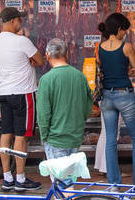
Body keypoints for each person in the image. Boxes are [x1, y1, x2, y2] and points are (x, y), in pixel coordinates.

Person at [0, 7, 44, 192]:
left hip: (4, 92)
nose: (21, 23)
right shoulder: (22, 41)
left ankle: (7, 178)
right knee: (21, 136)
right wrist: (30, 61)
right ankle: (20, 179)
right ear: (13, 21)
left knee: (6, 134)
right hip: (23, 93)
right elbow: (40, 60)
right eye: (19, 20)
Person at [97, 13, 135, 186]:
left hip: (106, 96)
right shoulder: (126, 47)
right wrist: (128, 71)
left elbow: (103, 69)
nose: (125, 33)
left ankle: (114, 182)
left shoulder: (100, 47)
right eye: (124, 30)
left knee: (111, 139)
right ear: (119, 29)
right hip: (124, 95)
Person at [37, 38, 93, 188]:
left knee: (63, 184)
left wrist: (44, 136)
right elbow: (88, 105)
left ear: (47, 56)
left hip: (55, 138)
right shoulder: (80, 76)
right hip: (75, 136)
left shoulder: (46, 80)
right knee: (67, 180)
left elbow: (43, 114)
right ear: (66, 54)